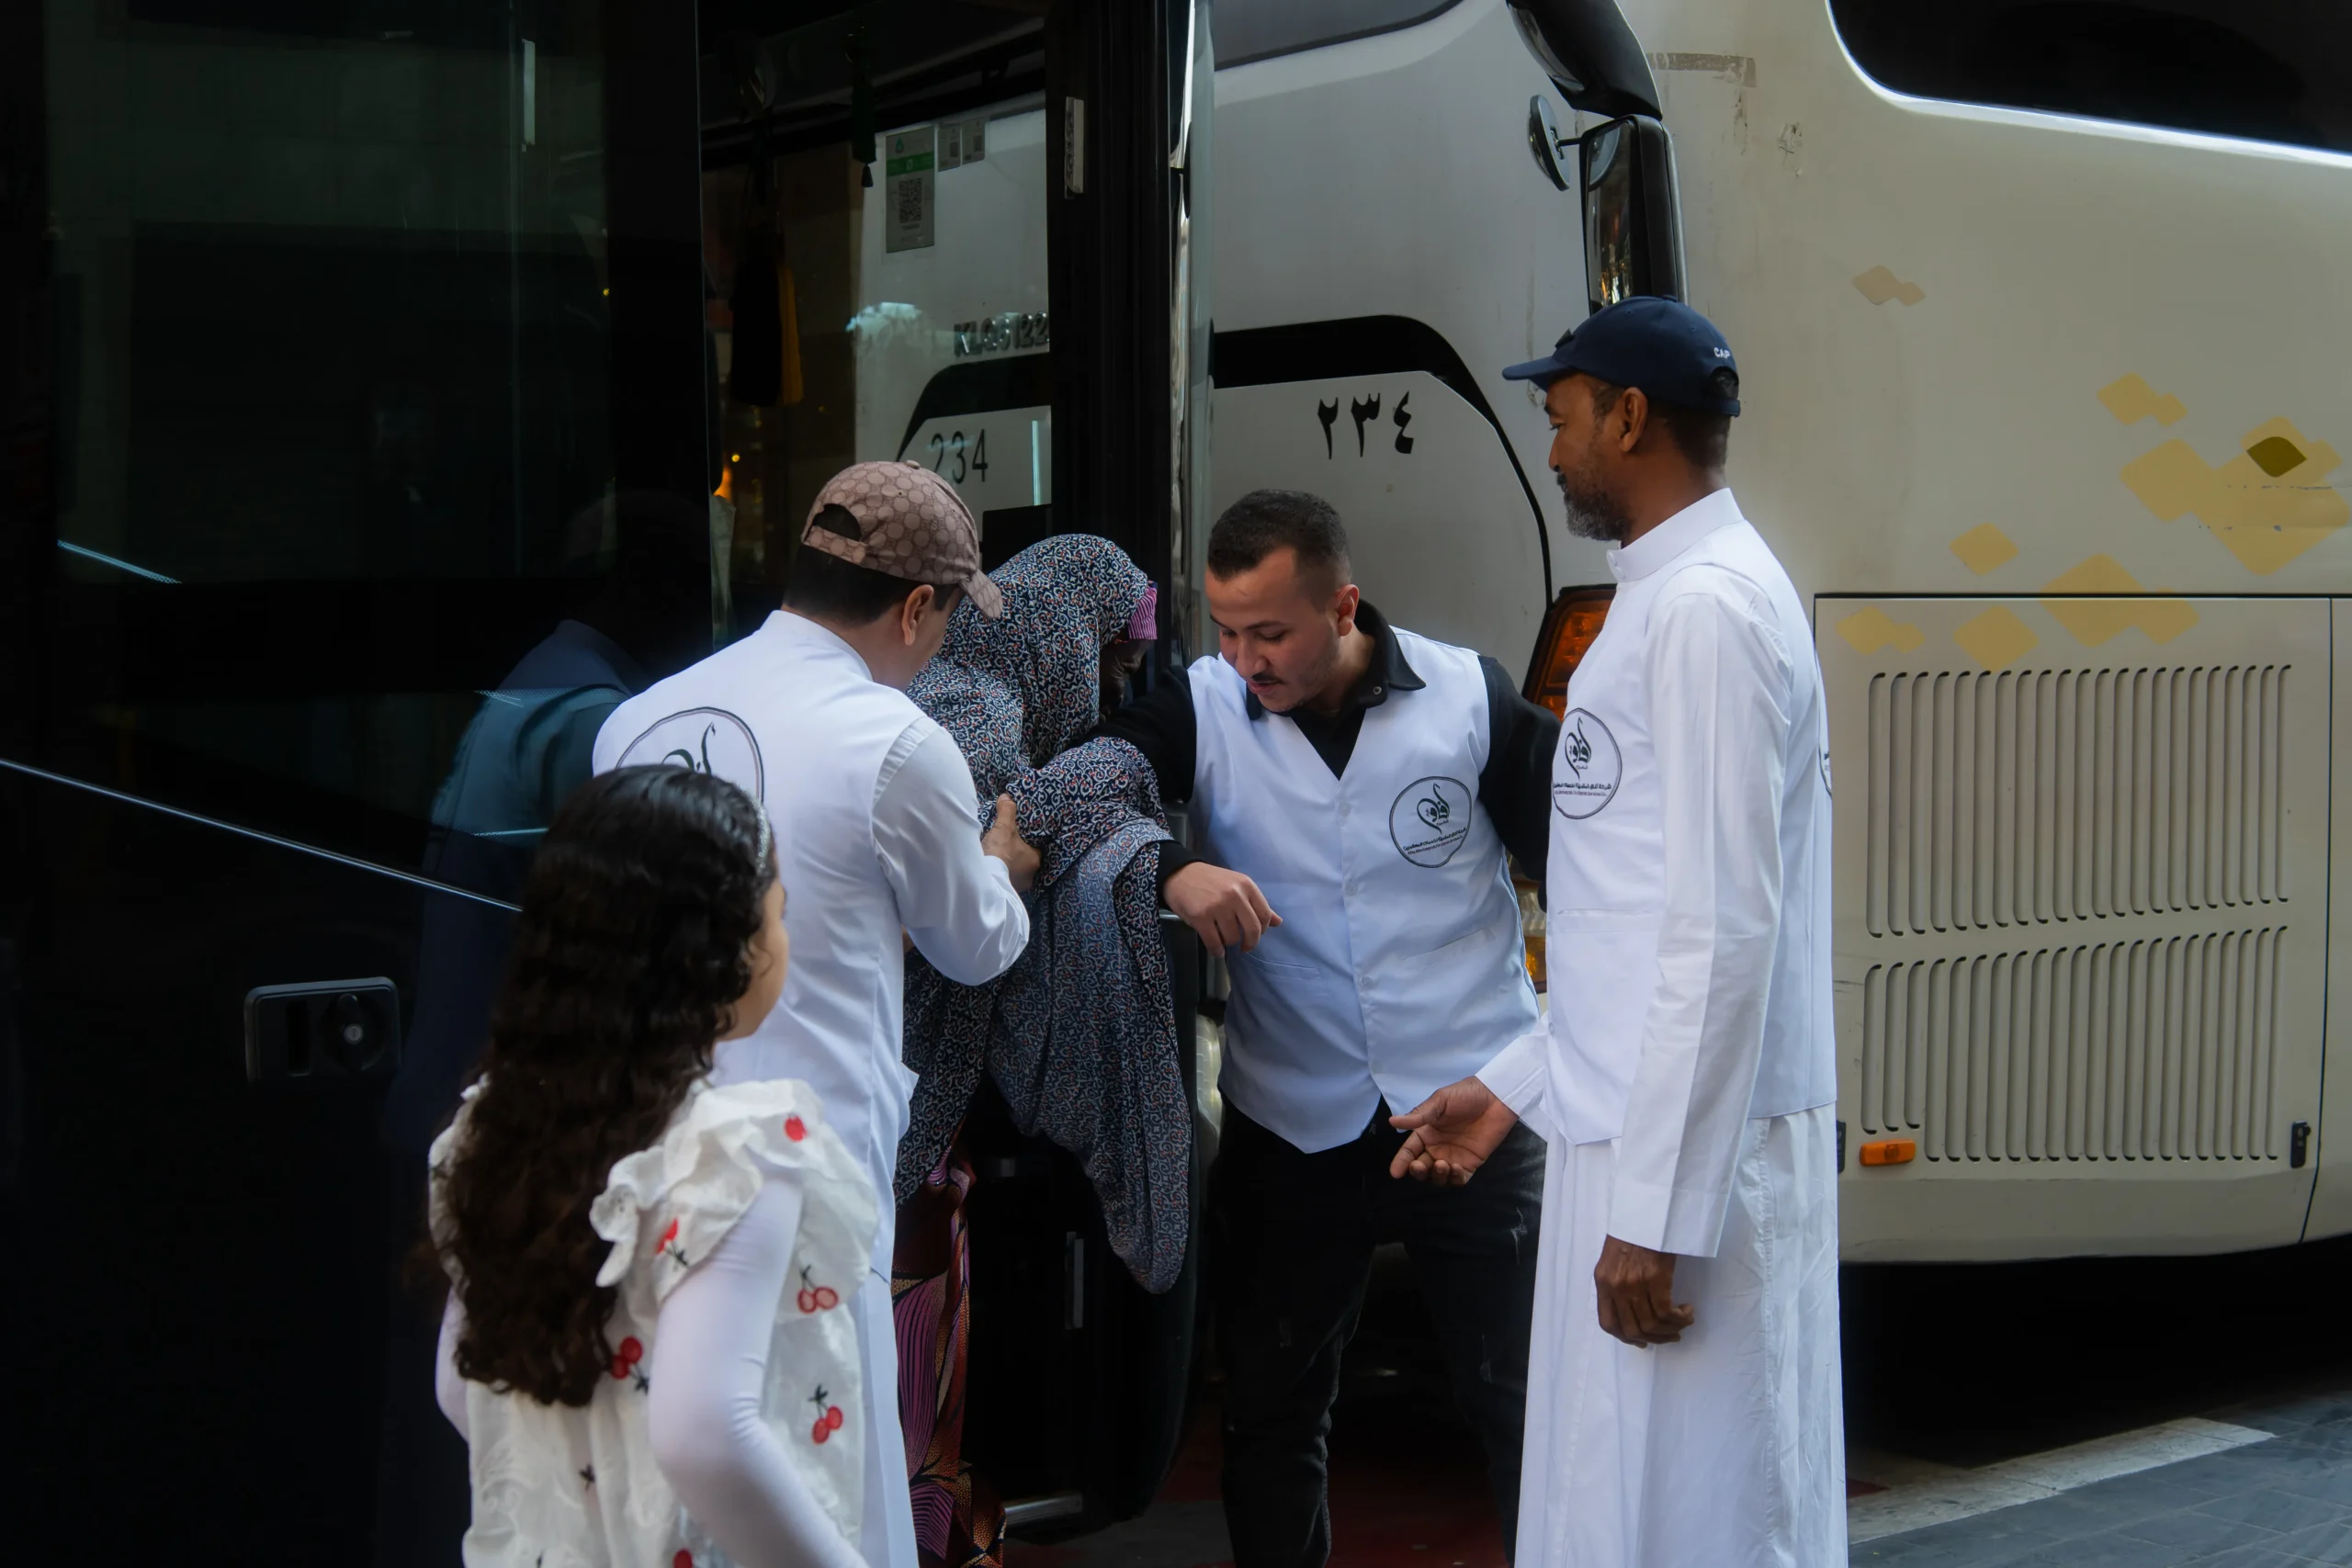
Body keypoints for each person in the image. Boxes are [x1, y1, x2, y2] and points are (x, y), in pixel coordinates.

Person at [1389, 297, 1843, 1568]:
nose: (1552, 448)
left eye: (1562, 416)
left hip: (1686, 1156)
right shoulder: (1668, 597)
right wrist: (1514, 1084)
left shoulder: (1704, 610)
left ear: (1631, 415)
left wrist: (1657, 1210)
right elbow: (1628, 918)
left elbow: (1720, 926)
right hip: (1633, 1126)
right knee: (1618, 1512)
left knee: (1703, 1517)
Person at [1091, 490, 1559, 1568]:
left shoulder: (1466, 696)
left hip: (1475, 1105)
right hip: (1291, 1115)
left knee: (1525, 1403)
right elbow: (1084, 802)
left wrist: (1543, 1063)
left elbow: (1591, 865)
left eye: (1271, 632)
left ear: (1343, 606)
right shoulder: (1197, 704)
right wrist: (1172, 865)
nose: (1245, 657)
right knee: (1271, 1412)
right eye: (1227, 629)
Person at [592, 461, 1037, 1568]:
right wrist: (1004, 863)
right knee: (827, 1448)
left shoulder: (634, 722)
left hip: (652, 1151)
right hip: (808, 1164)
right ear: (918, 606)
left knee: (670, 1446)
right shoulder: (893, 741)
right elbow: (974, 941)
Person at [428, 764, 880, 1568]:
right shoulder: (733, 1154)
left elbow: (462, 1386)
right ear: (724, 953)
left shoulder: (492, 1130)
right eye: (777, 915)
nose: (784, 938)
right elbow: (706, 1434)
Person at [894, 534, 1183, 1568]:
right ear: (1062, 636)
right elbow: (972, 918)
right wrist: (1067, 806)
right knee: (908, 1398)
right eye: (1107, 664)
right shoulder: (974, 719)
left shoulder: (943, 692)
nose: (1110, 688)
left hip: (890, 1123)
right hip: (899, 1122)